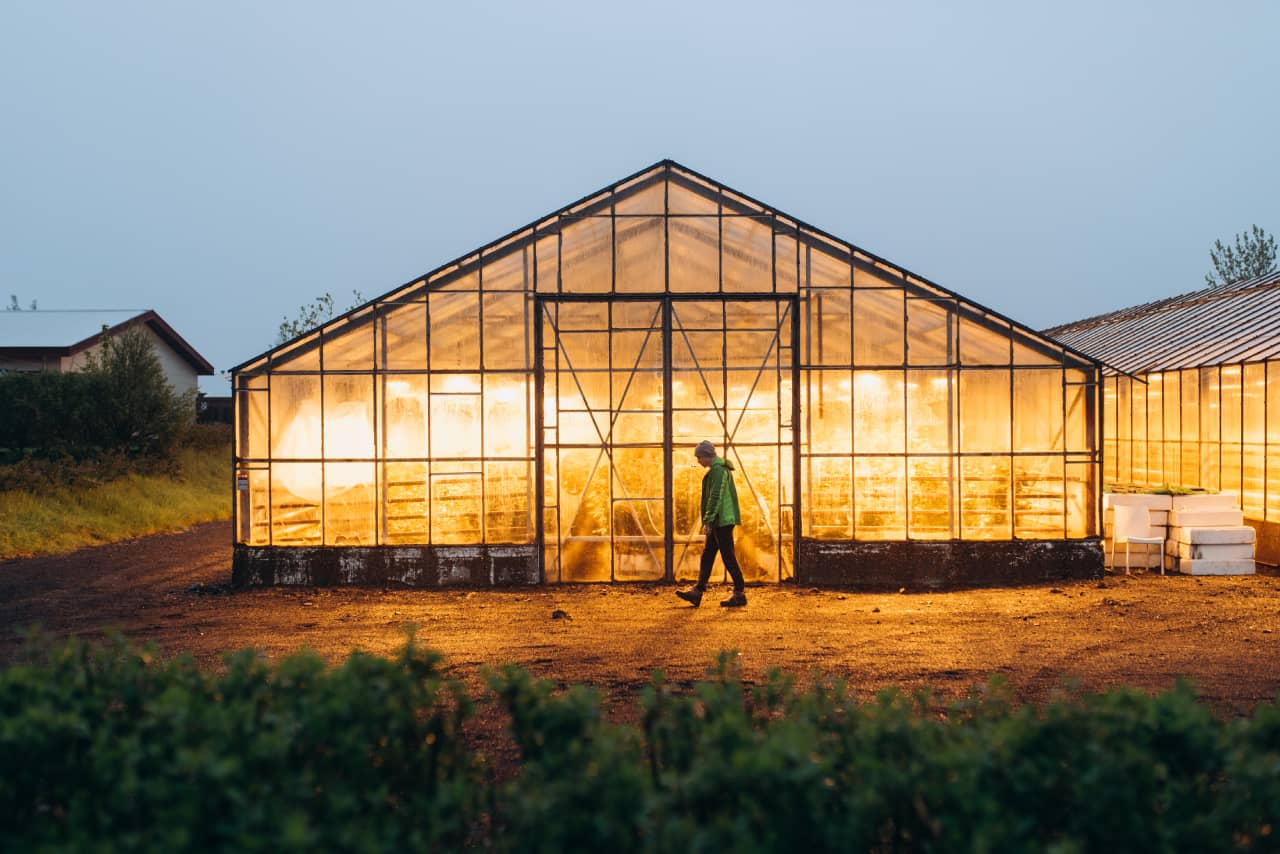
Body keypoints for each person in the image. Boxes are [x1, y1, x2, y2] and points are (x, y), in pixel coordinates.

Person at [676, 440, 746, 608]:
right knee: (708, 555)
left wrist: (707, 520)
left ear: (707, 456)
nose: (698, 461)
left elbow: (716, 497)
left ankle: (739, 593)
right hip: (719, 519)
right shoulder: (718, 470)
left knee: (728, 556)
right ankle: (697, 591)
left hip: (722, 520)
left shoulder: (718, 471)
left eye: (699, 457)